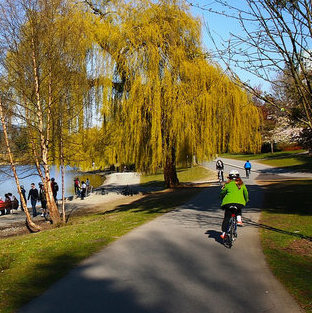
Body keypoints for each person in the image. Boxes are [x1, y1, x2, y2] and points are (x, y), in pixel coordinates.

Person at [220, 170, 249, 239]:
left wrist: (221, 197)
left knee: (227, 217)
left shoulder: (227, 184)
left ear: (229, 177)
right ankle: (239, 220)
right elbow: (246, 193)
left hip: (228, 203)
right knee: (238, 208)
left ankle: (224, 233)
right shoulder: (241, 184)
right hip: (239, 203)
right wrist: (246, 200)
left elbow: (222, 192)